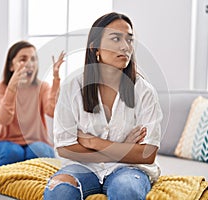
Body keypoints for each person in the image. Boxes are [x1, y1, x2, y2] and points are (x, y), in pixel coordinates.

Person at [44, 12, 163, 199]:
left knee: (126, 190)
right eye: (116, 38)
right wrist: (124, 148)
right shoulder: (72, 87)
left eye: (129, 40)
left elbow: (147, 154)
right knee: (59, 190)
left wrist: (94, 142)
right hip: (81, 168)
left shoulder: (144, 91)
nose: (125, 46)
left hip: (128, 169)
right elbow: (65, 148)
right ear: (95, 48)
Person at [0, 41, 65, 168]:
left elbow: (51, 111)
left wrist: (56, 80)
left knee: (39, 151)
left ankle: (33, 187)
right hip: (5, 142)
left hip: (36, 141)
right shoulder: (0, 88)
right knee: (12, 153)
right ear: (11, 66)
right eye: (23, 59)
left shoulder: (42, 87)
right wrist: (11, 88)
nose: (29, 64)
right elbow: (4, 119)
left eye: (33, 59)